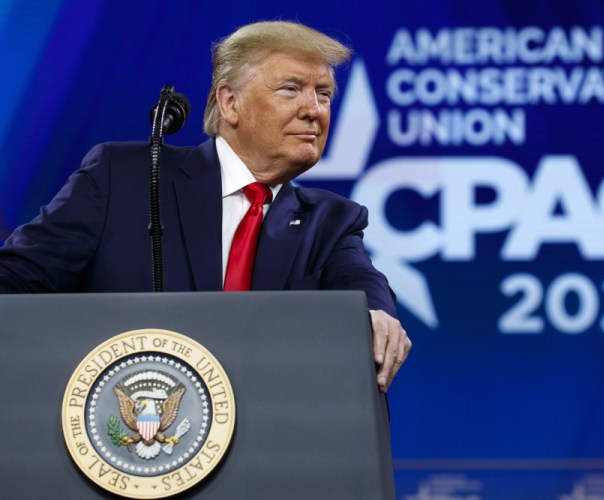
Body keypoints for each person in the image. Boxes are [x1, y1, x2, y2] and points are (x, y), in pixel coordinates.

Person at [0, 21, 411, 392]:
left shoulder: (331, 221)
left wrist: (374, 314)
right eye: (291, 89)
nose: (314, 111)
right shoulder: (123, 179)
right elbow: (16, 280)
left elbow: (360, 281)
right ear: (230, 103)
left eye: (323, 94)